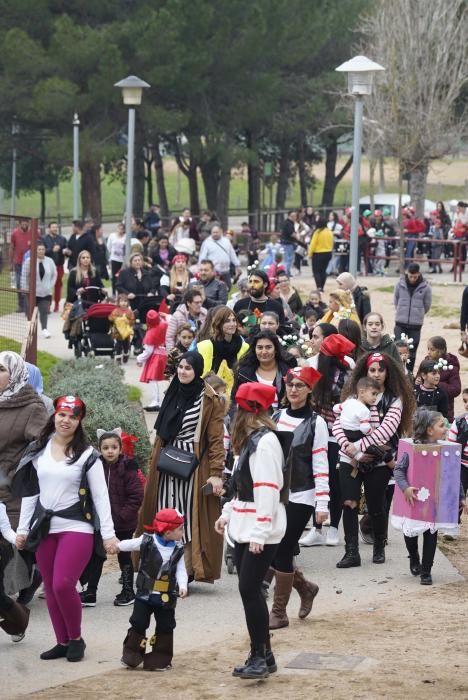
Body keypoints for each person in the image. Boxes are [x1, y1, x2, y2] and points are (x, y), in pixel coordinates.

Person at [14, 396, 118, 662]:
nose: (66, 420)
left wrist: (108, 534)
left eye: (72, 416)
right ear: (54, 416)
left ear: (79, 421)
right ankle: (61, 641)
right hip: (46, 528)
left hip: (77, 526)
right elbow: (30, 493)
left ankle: (76, 638)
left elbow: (101, 496)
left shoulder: (87, 455)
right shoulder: (39, 449)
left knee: (62, 584)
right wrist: (23, 529)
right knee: (49, 586)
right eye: (62, 414)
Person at [215, 383, 286, 680]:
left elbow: (268, 490)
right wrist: (228, 513)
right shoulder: (251, 441)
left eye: (238, 408)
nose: (233, 414)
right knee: (249, 590)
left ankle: (260, 654)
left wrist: (260, 532)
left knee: (249, 589)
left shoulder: (265, 442)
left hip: (261, 527)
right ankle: (263, 655)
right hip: (248, 524)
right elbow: (242, 488)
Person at [137, 352, 225, 583]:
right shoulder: (172, 391)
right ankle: (160, 564)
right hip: (166, 462)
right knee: (164, 511)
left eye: (188, 368)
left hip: (193, 466)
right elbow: (160, 434)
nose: (183, 372)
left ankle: (185, 567)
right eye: (181, 367)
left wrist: (216, 473)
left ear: (197, 371)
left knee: (187, 516)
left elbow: (216, 440)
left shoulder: (209, 399)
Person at [332, 352, 415, 568]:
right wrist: (352, 451)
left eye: (381, 370)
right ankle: (351, 552)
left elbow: (385, 432)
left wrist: (357, 446)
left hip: (378, 462)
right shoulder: (353, 397)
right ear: (365, 372)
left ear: (388, 373)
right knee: (348, 503)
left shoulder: (395, 400)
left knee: (376, 506)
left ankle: (379, 545)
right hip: (349, 459)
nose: (377, 374)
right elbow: (337, 425)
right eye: (372, 370)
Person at [268, 367, 328, 630]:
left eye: (300, 385)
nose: (294, 390)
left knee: (282, 548)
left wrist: (322, 503)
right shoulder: (277, 416)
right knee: (273, 547)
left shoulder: (318, 423)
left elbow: (321, 463)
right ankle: (304, 587)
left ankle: (278, 612)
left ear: (309, 390)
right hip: (274, 492)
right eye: (291, 385)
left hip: (303, 495)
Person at [392, 409, 466, 585]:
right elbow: (399, 470)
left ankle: (426, 570)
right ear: (429, 430)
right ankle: (414, 556)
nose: (446, 428)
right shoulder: (411, 449)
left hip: (433, 504)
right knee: (410, 533)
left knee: (431, 534)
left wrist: (461, 498)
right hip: (414, 500)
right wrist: (405, 488)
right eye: (442, 425)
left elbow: (453, 474)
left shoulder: (445, 449)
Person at [300, 334, 356, 547]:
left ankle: (333, 529)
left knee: (335, 480)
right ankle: (316, 527)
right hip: (315, 431)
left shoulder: (348, 368)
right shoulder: (312, 367)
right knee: (315, 479)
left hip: (338, 433)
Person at [79, 428, 144, 608]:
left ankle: (128, 590)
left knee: (124, 554)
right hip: (100, 522)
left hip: (124, 522)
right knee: (97, 556)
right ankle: (90, 591)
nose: (110, 451)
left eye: (114, 447)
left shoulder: (128, 466)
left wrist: (121, 516)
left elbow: (136, 496)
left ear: (120, 449)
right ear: (99, 448)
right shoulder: (94, 466)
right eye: (105, 447)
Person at [117, 508, 187, 671]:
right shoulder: (147, 540)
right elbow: (131, 544)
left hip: (166, 596)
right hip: (144, 594)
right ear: (168, 532)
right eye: (181, 529)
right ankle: (132, 655)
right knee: (138, 622)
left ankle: (160, 658)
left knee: (166, 626)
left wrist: (182, 585)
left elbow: (181, 569)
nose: (183, 532)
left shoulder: (178, 548)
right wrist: (117, 546)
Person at [232, 331, 296, 407]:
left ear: (276, 349)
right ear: (254, 349)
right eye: (260, 347)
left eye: (268, 347)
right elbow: (234, 400)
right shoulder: (243, 374)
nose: (264, 352)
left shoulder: (288, 372)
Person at [197, 306, 249, 396]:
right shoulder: (205, 346)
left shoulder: (244, 347)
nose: (232, 324)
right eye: (227, 321)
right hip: (210, 393)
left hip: (236, 394)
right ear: (218, 324)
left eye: (234, 320)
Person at [393, 262, 432, 371]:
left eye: (415, 276)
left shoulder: (425, 287)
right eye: (410, 276)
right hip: (400, 322)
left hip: (416, 324)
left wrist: (419, 313)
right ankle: (397, 370)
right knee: (397, 346)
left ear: (419, 274)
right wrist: (401, 310)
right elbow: (396, 300)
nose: (412, 279)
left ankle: (409, 372)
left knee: (412, 349)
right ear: (407, 273)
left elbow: (427, 304)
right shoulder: (400, 284)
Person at [333, 377, 381, 456]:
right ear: (362, 392)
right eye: (373, 394)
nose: (375, 397)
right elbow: (364, 428)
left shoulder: (348, 401)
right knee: (378, 451)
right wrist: (372, 431)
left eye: (376, 395)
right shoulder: (365, 410)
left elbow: (336, 408)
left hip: (345, 434)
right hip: (356, 435)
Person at [21, 241, 57, 338]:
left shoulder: (50, 261)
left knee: (44, 311)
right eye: (39, 249)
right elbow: (24, 276)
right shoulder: (29, 261)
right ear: (35, 251)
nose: (41, 251)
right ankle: (31, 330)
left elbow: (54, 274)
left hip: (46, 292)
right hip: (32, 293)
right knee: (32, 313)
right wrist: (24, 289)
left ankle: (44, 329)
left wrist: (50, 285)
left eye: (43, 249)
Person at [233, 270, 285, 337]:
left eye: (256, 282)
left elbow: (281, 330)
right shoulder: (240, 304)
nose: (252, 285)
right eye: (250, 282)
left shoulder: (276, 306)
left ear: (265, 284)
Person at [137, 310, 168, 412]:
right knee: (167, 377)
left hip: (155, 357)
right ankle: (161, 401)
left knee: (152, 379)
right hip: (164, 353)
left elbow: (148, 350)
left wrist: (139, 359)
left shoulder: (151, 332)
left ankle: (156, 401)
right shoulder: (164, 325)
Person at [425, 336, 461, 423]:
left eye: (432, 350)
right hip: (426, 411)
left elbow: (456, 390)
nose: (429, 352)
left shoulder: (451, 367)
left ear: (441, 351)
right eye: (428, 349)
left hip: (444, 412)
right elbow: (420, 378)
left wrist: (437, 383)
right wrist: (418, 380)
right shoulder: (426, 362)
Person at [198, 225, 241, 289]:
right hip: (213, 271)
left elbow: (232, 254)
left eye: (216, 232)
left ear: (221, 232)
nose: (215, 234)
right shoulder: (207, 242)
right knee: (214, 288)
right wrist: (200, 268)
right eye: (213, 232)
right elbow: (202, 257)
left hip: (225, 270)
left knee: (228, 287)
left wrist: (237, 265)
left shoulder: (226, 241)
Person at [448, 389, 468, 517]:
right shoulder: (459, 421)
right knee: (457, 494)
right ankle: (453, 524)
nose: (467, 405)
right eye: (465, 401)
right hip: (461, 464)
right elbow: (451, 445)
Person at [43, 221, 67, 312]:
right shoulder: (44, 239)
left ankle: (57, 304)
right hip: (47, 266)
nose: (55, 229)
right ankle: (48, 305)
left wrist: (65, 251)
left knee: (58, 285)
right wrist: (51, 250)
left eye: (56, 227)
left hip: (59, 265)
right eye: (53, 227)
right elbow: (42, 251)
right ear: (49, 228)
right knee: (47, 286)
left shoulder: (62, 239)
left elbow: (65, 248)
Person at [10, 219, 32, 312]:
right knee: (19, 284)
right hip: (18, 263)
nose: (24, 224)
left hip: (30, 263)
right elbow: (11, 248)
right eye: (22, 222)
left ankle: (31, 304)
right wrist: (11, 263)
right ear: (19, 224)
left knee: (31, 284)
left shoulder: (33, 233)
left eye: (26, 222)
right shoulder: (14, 234)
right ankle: (21, 305)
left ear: (28, 223)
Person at [308, 215, 333, 291]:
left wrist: (309, 254)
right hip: (328, 253)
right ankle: (322, 287)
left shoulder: (317, 232)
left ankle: (318, 287)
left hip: (318, 253)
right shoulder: (329, 232)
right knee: (323, 271)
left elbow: (313, 244)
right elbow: (332, 242)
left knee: (316, 271)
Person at [109, 294, 136, 364]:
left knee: (126, 345)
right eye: (121, 301)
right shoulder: (116, 310)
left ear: (127, 303)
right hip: (118, 331)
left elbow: (133, 320)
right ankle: (118, 358)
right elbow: (111, 318)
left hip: (126, 332)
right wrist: (116, 319)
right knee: (118, 345)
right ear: (118, 302)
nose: (123, 303)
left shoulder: (129, 312)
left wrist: (128, 321)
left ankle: (126, 354)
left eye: (125, 301)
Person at [106, 223, 126, 295]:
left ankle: (120, 292)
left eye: (122, 229)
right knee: (114, 276)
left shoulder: (125, 237)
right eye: (119, 229)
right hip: (114, 259)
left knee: (121, 276)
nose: (120, 231)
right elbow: (109, 246)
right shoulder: (112, 236)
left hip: (122, 260)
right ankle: (114, 291)